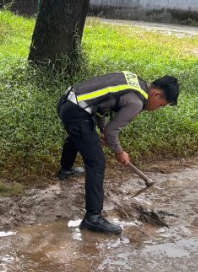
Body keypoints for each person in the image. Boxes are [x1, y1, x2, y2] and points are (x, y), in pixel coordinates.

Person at [56, 71, 179, 234]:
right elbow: (112, 131)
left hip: (68, 102)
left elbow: (102, 105)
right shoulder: (136, 102)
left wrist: (100, 129)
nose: (157, 109)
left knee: (79, 135)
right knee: (97, 162)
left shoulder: (136, 81)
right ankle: (93, 218)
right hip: (77, 112)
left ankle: (66, 170)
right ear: (156, 94)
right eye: (161, 105)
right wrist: (119, 152)